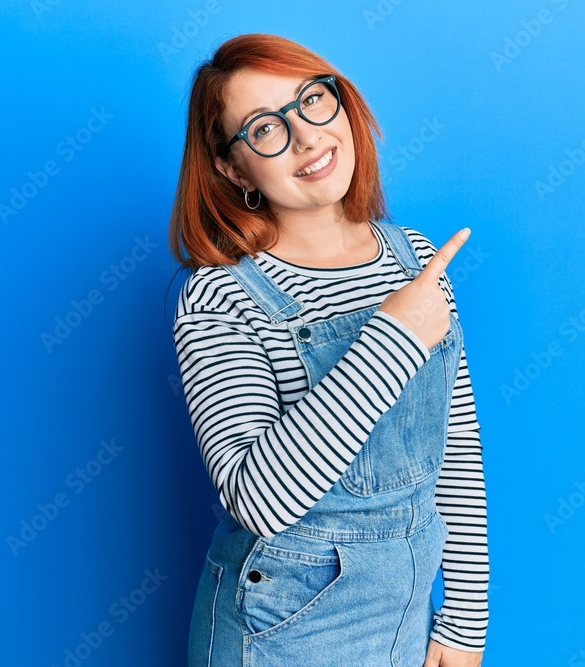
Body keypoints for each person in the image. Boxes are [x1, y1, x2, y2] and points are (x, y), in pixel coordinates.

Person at [169, 32, 488, 667]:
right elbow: (257, 497)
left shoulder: (415, 258)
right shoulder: (219, 297)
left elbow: (452, 449)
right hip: (283, 625)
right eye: (264, 129)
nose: (308, 136)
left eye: (313, 100)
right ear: (233, 167)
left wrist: (464, 622)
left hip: (406, 602)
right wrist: (392, 338)